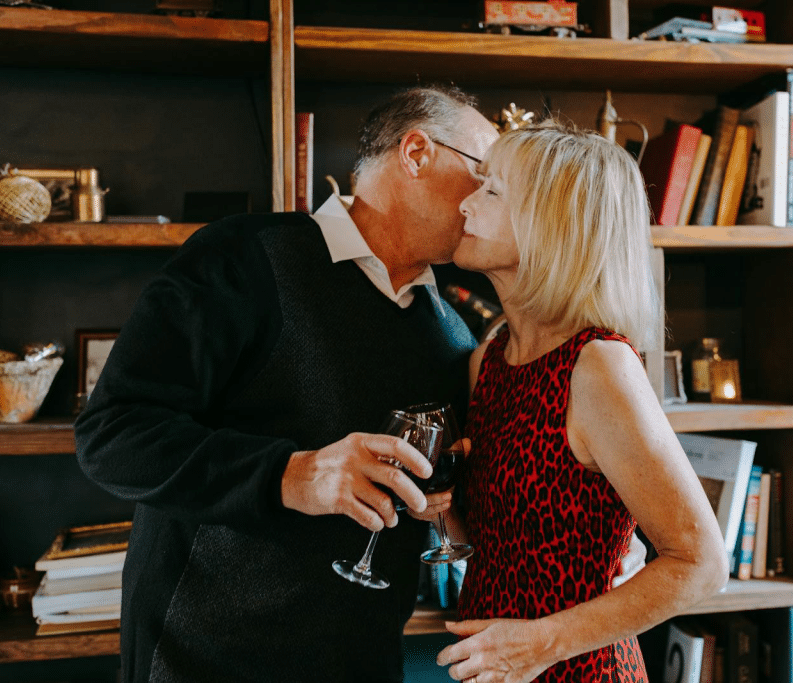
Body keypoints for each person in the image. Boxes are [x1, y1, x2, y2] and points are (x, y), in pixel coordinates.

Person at [74, 85, 499, 682]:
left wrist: (442, 507)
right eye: (484, 173)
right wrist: (295, 475)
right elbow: (112, 435)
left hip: (361, 663)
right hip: (201, 659)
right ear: (416, 153)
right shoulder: (244, 258)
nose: (489, 199)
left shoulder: (453, 334)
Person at [435, 122, 730, 683]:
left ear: (553, 226)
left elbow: (702, 563)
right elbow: (500, 547)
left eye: (492, 190)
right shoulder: (489, 359)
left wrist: (539, 645)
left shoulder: (597, 366)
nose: (466, 204)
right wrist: (443, 509)